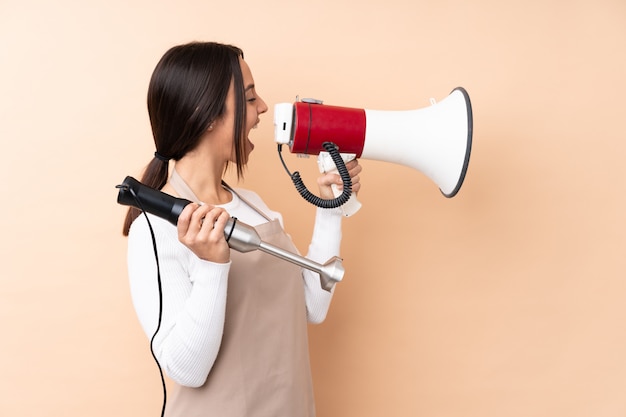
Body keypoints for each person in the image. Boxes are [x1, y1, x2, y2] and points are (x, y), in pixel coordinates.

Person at [122, 41, 362, 417]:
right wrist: (213, 266)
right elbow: (187, 370)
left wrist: (331, 207)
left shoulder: (254, 206)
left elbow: (311, 307)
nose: (263, 108)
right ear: (208, 114)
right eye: (250, 98)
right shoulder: (154, 230)